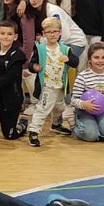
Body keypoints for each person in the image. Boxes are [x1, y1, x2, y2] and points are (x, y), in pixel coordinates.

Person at [24, 16, 79, 146]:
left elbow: (76, 62)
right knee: (42, 108)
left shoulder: (65, 49)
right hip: (47, 86)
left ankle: (56, 124)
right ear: (44, 34)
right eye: (49, 32)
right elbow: (31, 64)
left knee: (60, 107)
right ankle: (34, 131)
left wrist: (69, 60)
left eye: (55, 31)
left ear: (60, 32)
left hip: (60, 86)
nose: (52, 34)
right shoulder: (40, 48)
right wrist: (35, 67)